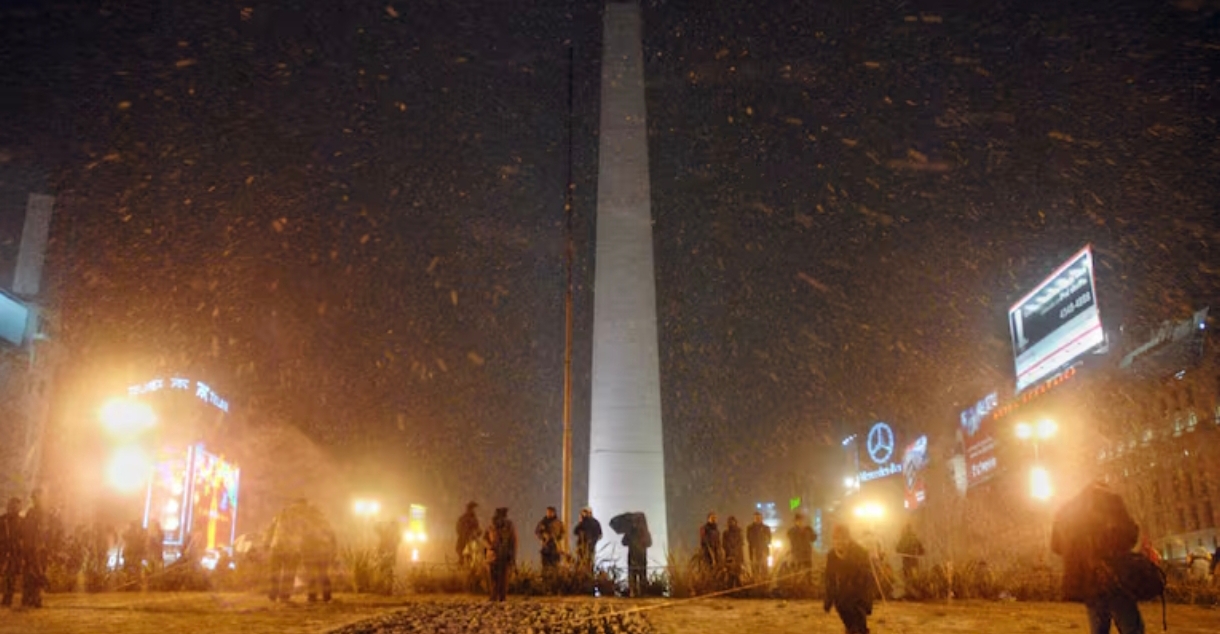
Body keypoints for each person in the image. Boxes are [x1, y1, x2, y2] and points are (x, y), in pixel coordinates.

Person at [1051, 481, 1142, 634]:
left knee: (1099, 628)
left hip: (1086, 580)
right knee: (1132, 627)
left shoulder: (1066, 511)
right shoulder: (1112, 500)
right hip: (1113, 574)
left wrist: (1076, 554)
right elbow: (1130, 535)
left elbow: (1055, 546)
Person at [824, 524, 874, 634]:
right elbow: (829, 578)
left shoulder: (860, 552)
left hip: (860, 591)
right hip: (842, 594)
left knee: (859, 622)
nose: (839, 542)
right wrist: (828, 601)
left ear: (848, 539)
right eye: (836, 539)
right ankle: (851, 629)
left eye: (843, 539)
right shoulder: (831, 555)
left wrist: (866, 600)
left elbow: (866, 576)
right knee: (844, 613)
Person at [265, 498, 307, 602]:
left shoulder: (281, 514)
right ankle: (284, 595)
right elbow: (304, 535)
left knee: (275, 572)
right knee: (289, 573)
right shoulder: (302, 517)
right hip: (291, 549)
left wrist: (267, 542)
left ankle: (273, 593)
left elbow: (271, 528)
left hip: (277, 545)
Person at [301, 502, 336, 603]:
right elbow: (332, 539)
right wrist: (333, 552)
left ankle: (312, 597)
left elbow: (304, 540)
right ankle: (326, 597)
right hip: (323, 553)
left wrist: (303, 552)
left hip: (312, 553)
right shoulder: (325, 523)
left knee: (312, 575)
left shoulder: (308, 525)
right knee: (323, 574)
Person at [20, 490, 47, 608]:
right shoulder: (31, 512)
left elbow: (45, 531)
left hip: (39, 547)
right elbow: (26, 530)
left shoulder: (43, 512)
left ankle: (35, 597)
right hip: (31, 547)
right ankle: (29, 597)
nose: (36, 499)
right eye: (35, 497)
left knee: (38, 573)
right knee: (30, 573)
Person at [485, 507, 516, 602]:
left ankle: (502, 597)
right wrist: (489, 546)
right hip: (493, 555)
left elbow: (513, 541)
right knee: (493, 577)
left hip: (504, 554)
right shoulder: (491, 526)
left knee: (503, 577)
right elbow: (485, 539)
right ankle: (493, 596)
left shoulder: (509, 526)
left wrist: (512, 554)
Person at [624, 513, 651, 597]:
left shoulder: (630, 531)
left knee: (633, 574)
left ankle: (633, 592)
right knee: (642, 574)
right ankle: (642, 592)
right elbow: (649, 543)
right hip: (641, 555)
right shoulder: (645, 532)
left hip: (632, 555)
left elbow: (624, 542)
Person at [1, 497, 21, 607]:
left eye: (17, 506)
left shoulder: (20, 521)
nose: (15, 508)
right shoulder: (3, 520)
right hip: (3, 550)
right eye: (13, 506)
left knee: (11, 576)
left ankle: (7, 598)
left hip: (14, 552)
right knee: (5, 574)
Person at [788, 512, 817, 583]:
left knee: (808, 573)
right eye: (799, 520)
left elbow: (813, 539)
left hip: (807, 555)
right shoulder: (792, 531)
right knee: (797, 573)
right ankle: (796, 586)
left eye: (802, 520)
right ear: (795, 522)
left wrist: (812, 532)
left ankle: (809, 584)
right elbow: (792, 540)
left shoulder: (808, 529)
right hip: (797, 556)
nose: (801, 522)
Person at [534, 506, 565, 571]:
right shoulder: (542, 522)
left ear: (554, 513)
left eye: (550, 512)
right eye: (547, 512)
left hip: (555, 548)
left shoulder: (558, 523)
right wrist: (543, 536)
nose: (548, 513)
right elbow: (537, 532)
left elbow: (563, 533)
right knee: (545, 567)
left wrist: (557, 538)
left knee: (555, 567)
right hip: (546, 548)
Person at [573, 507, 602, 574]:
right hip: (585, 546)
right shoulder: (593, 522)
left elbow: (575, 531)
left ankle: (585, 576)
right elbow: (576, 531)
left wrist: (592, 541)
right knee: (587, 562)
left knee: (585, 562)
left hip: (586, 546)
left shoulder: (590, 522)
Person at [375, 519, 400, 595]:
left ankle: (387, 589)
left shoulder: (391, 535)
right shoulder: (390, 534)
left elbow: (377, 530)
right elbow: (377, 530)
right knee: (386, 571)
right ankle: (386, 588)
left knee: (387, 571)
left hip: (387, 554)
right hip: (386, 554)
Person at [121, 520, 147, 589]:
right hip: (132, 553)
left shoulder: (133, 533)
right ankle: (133, 581)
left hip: (132, 553)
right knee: (133, 568)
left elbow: (123, 536)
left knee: (131, 567)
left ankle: (131, 581)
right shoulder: (137, 533)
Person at [746, 511, 771, 581]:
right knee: (755, 567)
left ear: (761, 518)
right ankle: (755, 580)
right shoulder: (750, 528)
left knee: (764, 567)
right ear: (754, 518)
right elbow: (749, 539)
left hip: (764, 550)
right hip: (754, 550)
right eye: (756, 518)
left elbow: (769, 539)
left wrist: (764, 545)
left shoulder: (766, 528)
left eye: (759, 517)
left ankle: (765, 580)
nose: (758, 519)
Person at [722, 516, 744, 588]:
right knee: (730, 572)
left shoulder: (739, 532)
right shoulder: (725, 533)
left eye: (733, 521)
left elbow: (741, 542)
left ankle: (739, 587)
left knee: (737, 571)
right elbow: (724, 544)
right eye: (730, 522)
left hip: (738, 555)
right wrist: (730, 550)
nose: (732, 523)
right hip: (729, 555)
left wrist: (736, 550)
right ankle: (730, 587)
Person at [455, 502, 480, 566]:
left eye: (472, 509)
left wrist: (476, 533)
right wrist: (462, 533)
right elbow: (458, 527)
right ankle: (461, 561)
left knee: (472, 552)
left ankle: (470, 564)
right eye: (471, 509)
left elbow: (477, 528)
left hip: (471, 538)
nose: (472, 510)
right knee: (459, 549)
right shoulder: (463, 518)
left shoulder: (474, 519)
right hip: (464, 537)